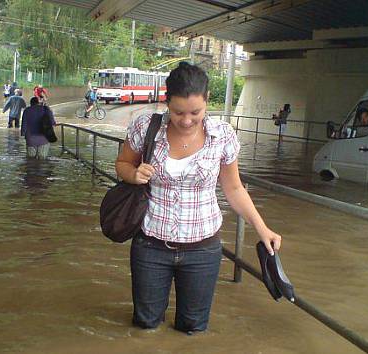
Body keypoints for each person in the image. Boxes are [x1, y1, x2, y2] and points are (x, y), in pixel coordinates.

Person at [115, 62, 282, 334]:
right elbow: (122, 163)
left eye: (196, 112)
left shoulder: (222, 135)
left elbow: (235, 189)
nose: (187, 120)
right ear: (167, 102)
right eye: (178, 112)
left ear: (207, 102)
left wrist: (262, 229)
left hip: (203, 250)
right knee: (145, 326)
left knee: (192, 329)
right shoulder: (146, 127)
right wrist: (134, 174)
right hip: (150, 246)